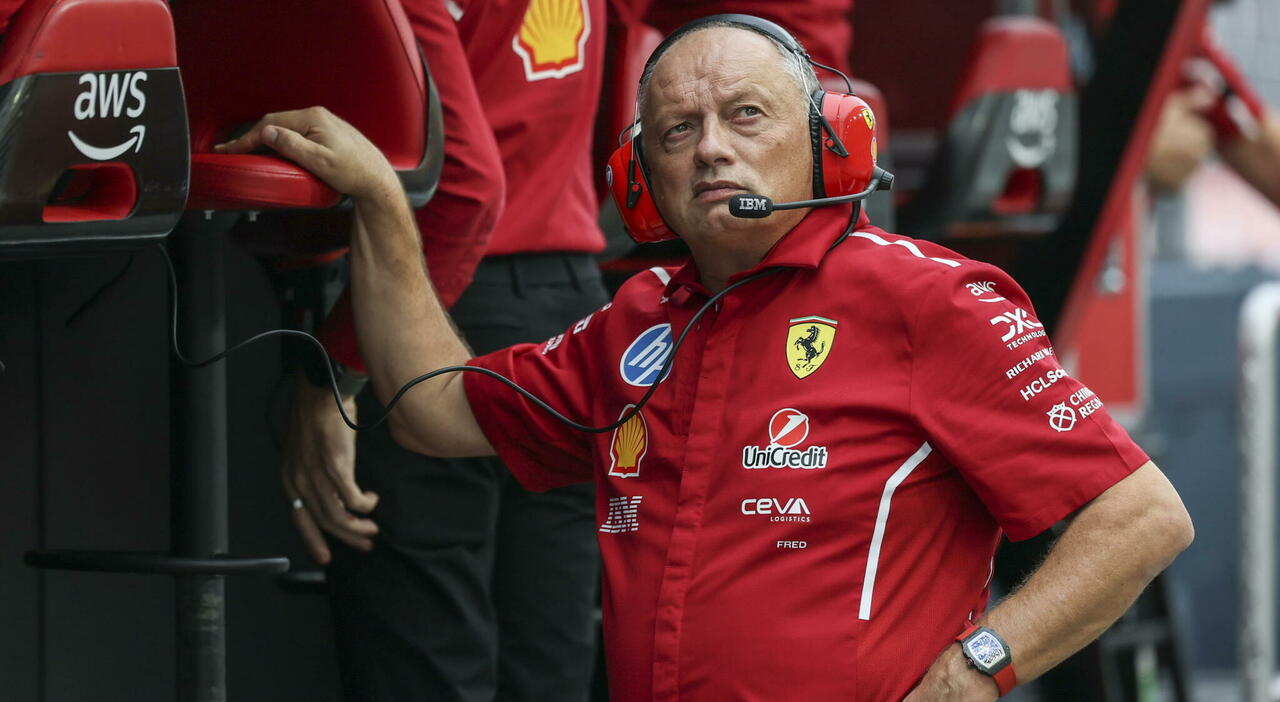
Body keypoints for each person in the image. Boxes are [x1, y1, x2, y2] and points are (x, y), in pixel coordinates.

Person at [222, 14, 1193, 701]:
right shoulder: (636, 323)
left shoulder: (926, 299)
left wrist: (979, 669)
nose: (712, 151)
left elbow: (1141, 518)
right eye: (678, 132)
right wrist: (384, 206)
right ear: (641, 183)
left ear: (829, 142)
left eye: (746, 115)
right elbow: (434, 409)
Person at [279, 1, 608, 700]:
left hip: (435, 300)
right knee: (549, 667)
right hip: (570, 304)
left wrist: (330, 377)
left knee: (428, 670)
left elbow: (467, 190)